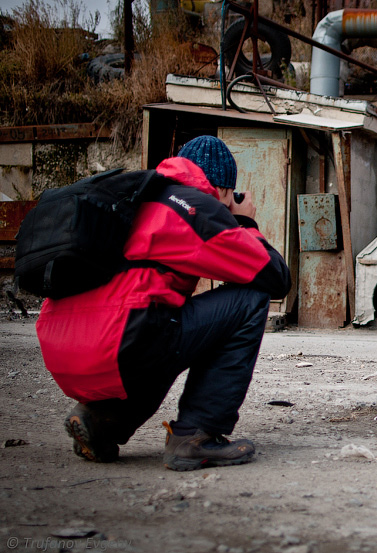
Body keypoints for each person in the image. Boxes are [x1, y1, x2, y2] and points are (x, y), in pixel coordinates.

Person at [35, 135, 291, 471]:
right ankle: (195, 436)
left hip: (65, 350)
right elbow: (274, 278)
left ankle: (101, 419)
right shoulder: (195, 207)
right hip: (118, 344)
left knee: (163, 326)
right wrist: (243, 221)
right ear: (225, 188)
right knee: (248, 300)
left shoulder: (139, 195)